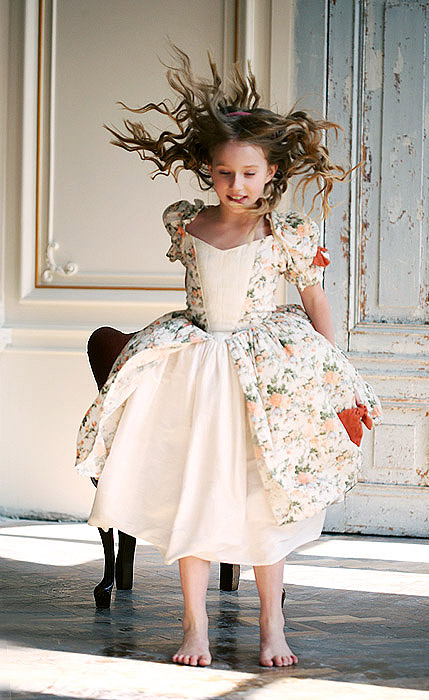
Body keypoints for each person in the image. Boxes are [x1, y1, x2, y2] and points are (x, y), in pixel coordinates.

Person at [75, 47, 382, 668]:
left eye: (248, 173)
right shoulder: (186, 223)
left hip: (262, 370)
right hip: (194, 369)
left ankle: (272, 623)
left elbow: (314, 301)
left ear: (271, 172)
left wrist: (332, 370)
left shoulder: (286, 234)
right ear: (207, 171)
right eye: (223, 173)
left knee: (264, 497)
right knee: (192, 492)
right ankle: (194, 626)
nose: (236, 186)